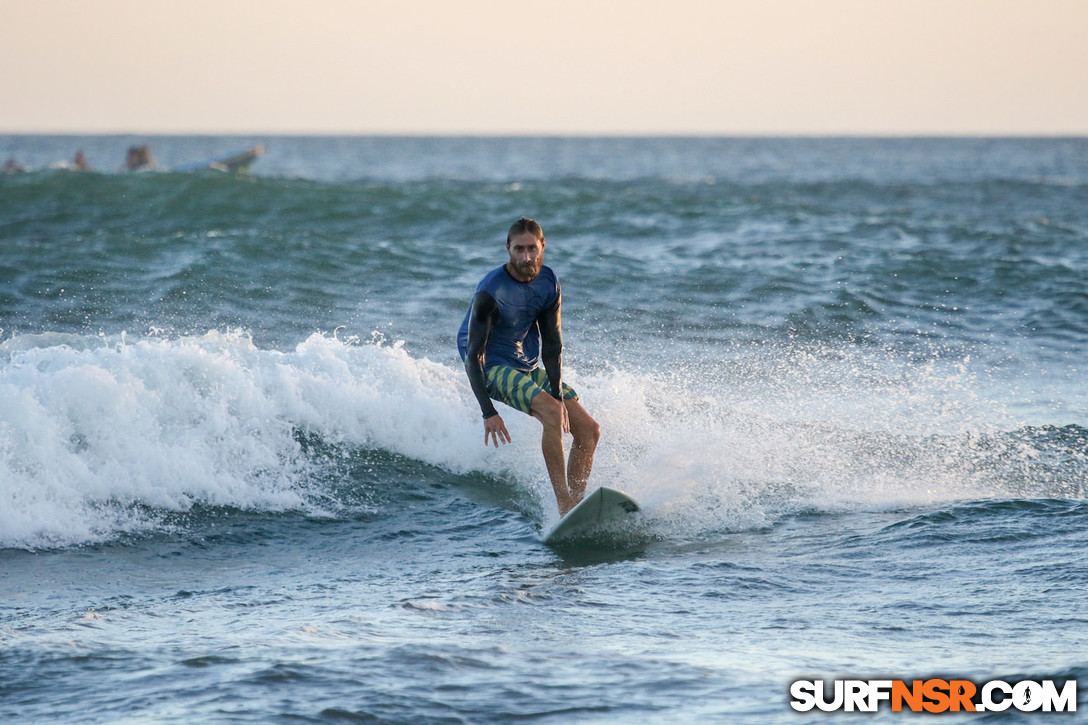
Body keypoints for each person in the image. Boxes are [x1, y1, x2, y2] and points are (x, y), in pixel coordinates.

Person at [458, 217, 601, 515]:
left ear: (543, 246)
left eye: (532, 249)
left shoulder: (549, 282)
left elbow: (552, 344)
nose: (526, 257)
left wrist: (560, 396)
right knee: (550, 411)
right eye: (519, 249)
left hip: (523, 363)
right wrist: (488, 411)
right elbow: (473, 355)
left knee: (588, 430)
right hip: (491, 365)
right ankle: (563, 503)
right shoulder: (490, 292)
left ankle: (576, 502)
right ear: (508, 249)